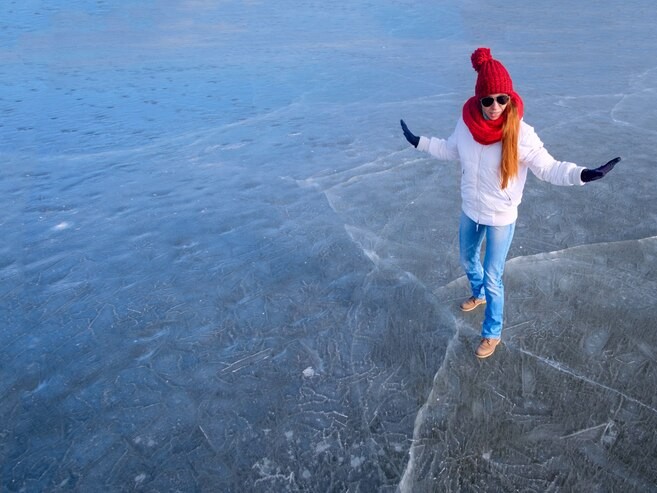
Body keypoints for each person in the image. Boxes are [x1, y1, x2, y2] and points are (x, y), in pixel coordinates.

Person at [400, 47, 620, 359]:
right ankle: (477, 295)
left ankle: (492, 333)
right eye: (488, 100)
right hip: (470, 209)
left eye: (502, 99)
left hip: (501, 216)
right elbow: (451, 149)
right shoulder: (466, 125)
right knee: (467, 260)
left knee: (493, 276)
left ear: (510, 98)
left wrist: (583, 174)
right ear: (479, 99)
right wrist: (419, 142)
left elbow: (549, 167)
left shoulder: (522, 134)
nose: (494, 106)